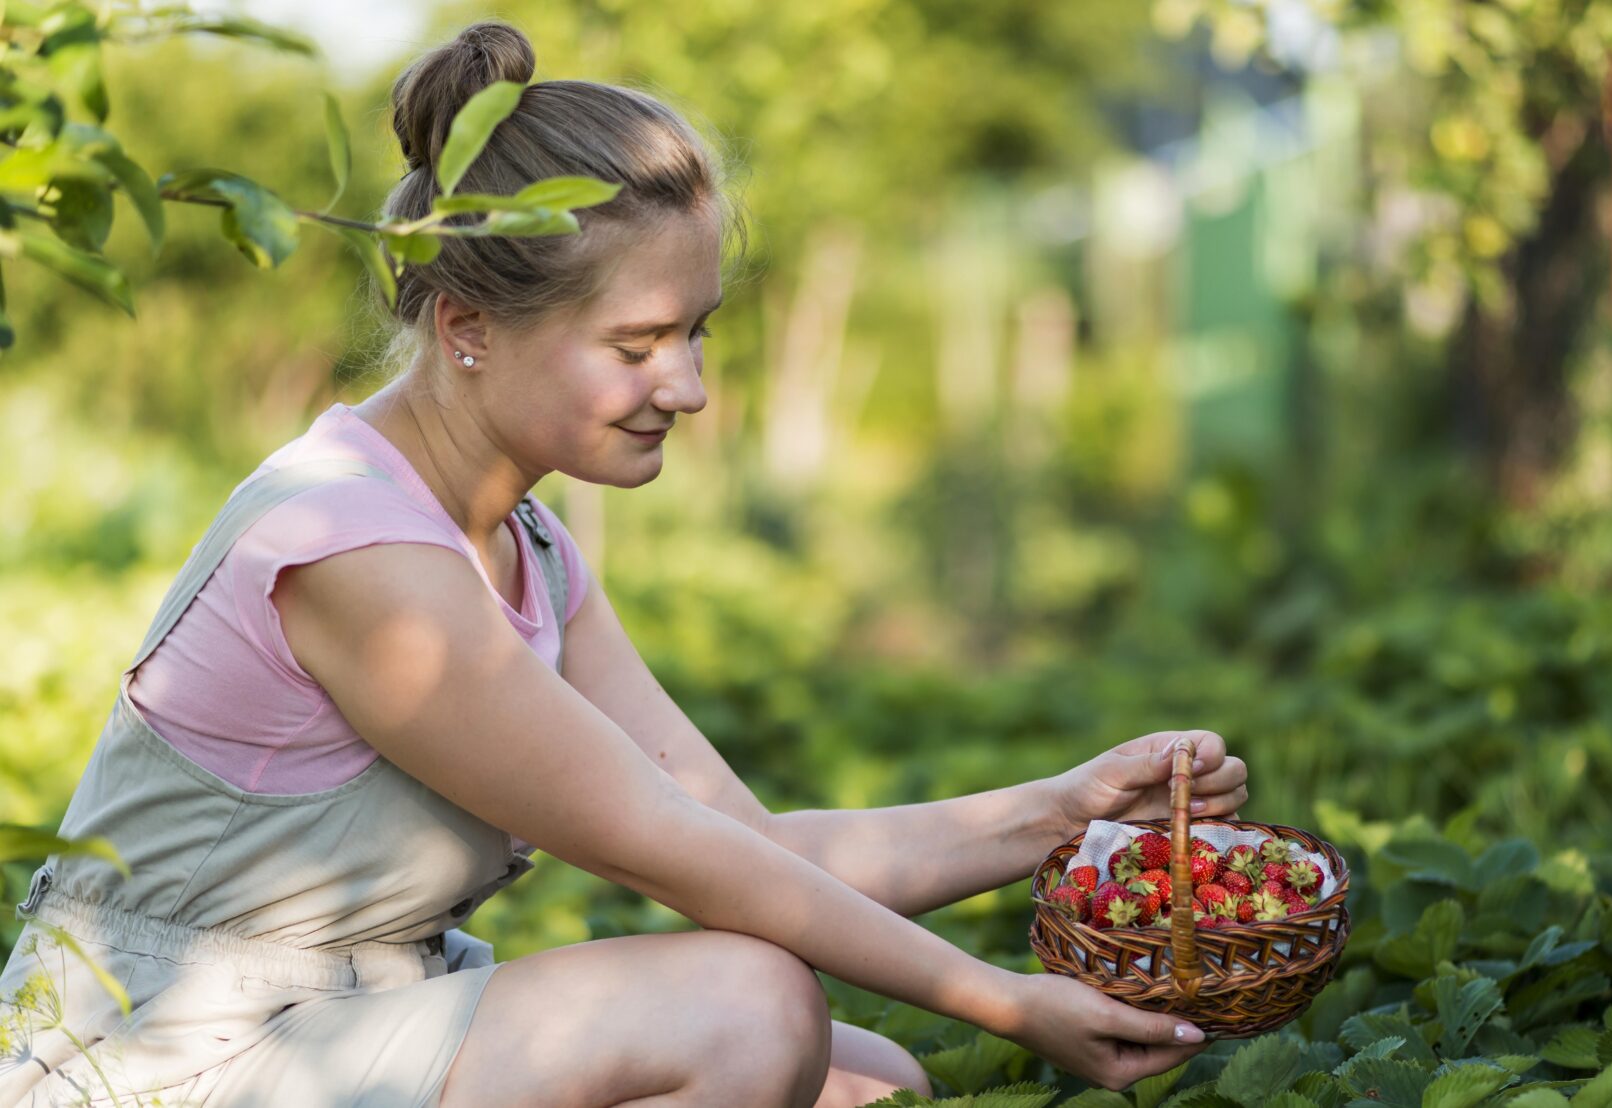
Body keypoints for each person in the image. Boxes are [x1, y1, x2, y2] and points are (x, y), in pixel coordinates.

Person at [0, 19, 1250, 1107]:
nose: (690, 388)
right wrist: (1003, 999)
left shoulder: (524, 544)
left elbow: (744, 840)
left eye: (695, 331)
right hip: (156, 1056)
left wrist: (1059, 815)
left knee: (872, 1079)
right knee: (750, 1013)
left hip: (337, 1019)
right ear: (468, 328)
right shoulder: (352, 551)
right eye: (639, 342)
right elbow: (667, 849)